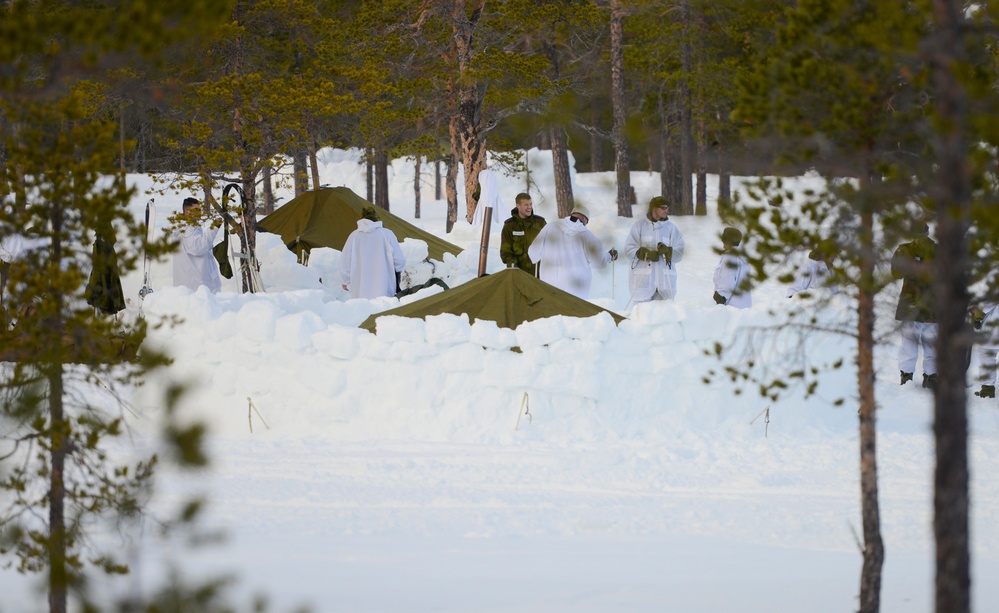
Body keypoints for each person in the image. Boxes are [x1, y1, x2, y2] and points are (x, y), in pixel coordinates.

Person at [527, 205, 617, 300]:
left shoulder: (550, 227)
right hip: (575, 289)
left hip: (550, 284)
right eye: (586, 222)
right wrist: (609, 256)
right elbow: (598, 262)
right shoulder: (588, 236)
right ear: (583, 218)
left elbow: (533, 253)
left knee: (553, 314)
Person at [891, 222, 937, 389]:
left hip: (931, 302)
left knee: (930, 343)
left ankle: (930, 376)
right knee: (910, 342)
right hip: (912, 301)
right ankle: (907, 376)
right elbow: (895, 272)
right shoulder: (905, 250)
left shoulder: (937, 250)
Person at [623, 196, 685, 302]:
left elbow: (680, 251)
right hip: (643, 284)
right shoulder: (639, 226)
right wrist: (644, 253)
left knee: (664, 317)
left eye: (667, 207)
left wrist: (669, 252)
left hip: (665, 286)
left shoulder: (671, 228)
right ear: (654, 208)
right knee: (641, 316)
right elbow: (629, 248)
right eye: (664, 208)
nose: (667, 210)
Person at [339, 207, 406, 299]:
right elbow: (399, 260)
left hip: (359, 290)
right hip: (384, 286)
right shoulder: (387, 234)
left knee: (362, 310)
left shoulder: (354, 236)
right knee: (384, 309)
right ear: (376, 219)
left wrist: (346, 280)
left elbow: (345, 260)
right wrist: (398, 272)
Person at [172, 197, 222, 293]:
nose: (199, 212)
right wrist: (214, 228)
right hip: (197, 287)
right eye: (196, 210)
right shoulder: (188, 230)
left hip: (191, 286)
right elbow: (197, 248)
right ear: (186, 211)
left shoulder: (183, 228)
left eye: (200, 209)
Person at [500, 192, 546, 275]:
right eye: (526, 205)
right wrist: (513, 267)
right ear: (518, 206)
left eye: (530, 204)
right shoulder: (509, 226)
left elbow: (550, 246)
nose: (530, 207)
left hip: (539, 274)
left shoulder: (540, 223)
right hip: (519, 275)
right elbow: (505, 252)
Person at [712, 227, 751, 308]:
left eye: (724, 242)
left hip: (732, 308)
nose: (723, 246)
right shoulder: (743, 258)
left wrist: (720, 297)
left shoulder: (730, 258)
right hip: (745, 307)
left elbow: (727, 281)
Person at [970, 302, 999, 398]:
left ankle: (988, 388)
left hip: (992, 325)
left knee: (986, 352)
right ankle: (987, 388)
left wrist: (975, 313)